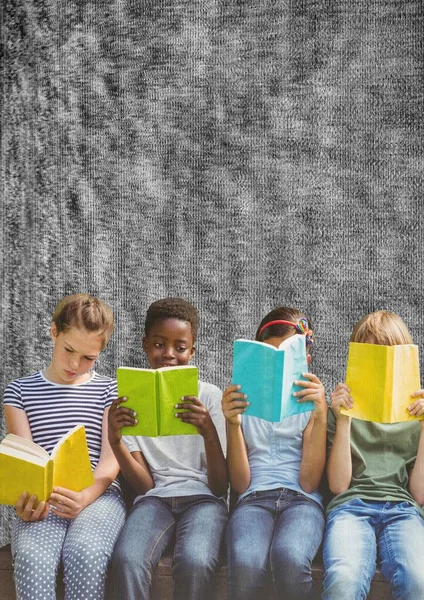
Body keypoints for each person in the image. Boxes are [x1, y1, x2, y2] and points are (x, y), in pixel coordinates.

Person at [3, 293, 126, 600]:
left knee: (85, 553)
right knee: (33, 558)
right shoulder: (20, 391)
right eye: (68, 350)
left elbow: (112, 460)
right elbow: (26, 462)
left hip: (99, 495)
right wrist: (28, 504)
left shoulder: (109, 389)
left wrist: (84, 497)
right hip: (44, 501)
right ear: (54, 331)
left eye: (88, 358)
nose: (75, 364)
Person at [108, 297, 228, 600]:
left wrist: (208, 432)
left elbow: (218, 486)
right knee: (127, 559)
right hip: (155, 500)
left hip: (204, 500)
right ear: (146, 344)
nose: (169, 355)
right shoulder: (132, 397)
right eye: (160, 344)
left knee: (196, 561)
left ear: (192, 351)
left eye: (180, 347)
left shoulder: (209, 396)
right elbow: (145, 484)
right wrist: (115, 441)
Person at [222, 306, 327, 600]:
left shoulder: (312, 405)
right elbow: (240, 485)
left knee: (290, 558)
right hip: (253, 499)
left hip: (302, 501)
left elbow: (308, 482)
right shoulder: (242, 404)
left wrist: (320, 417)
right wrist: (233, 423)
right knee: (245, 562)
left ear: (305, 358)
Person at [323, 310, 424, 599]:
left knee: (418, 579)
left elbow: (419, 495)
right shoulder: (342, 411)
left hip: (403, 511)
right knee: (344, 579)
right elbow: (339, 486)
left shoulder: (416, 415)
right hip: (350, 508)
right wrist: (343, 419)